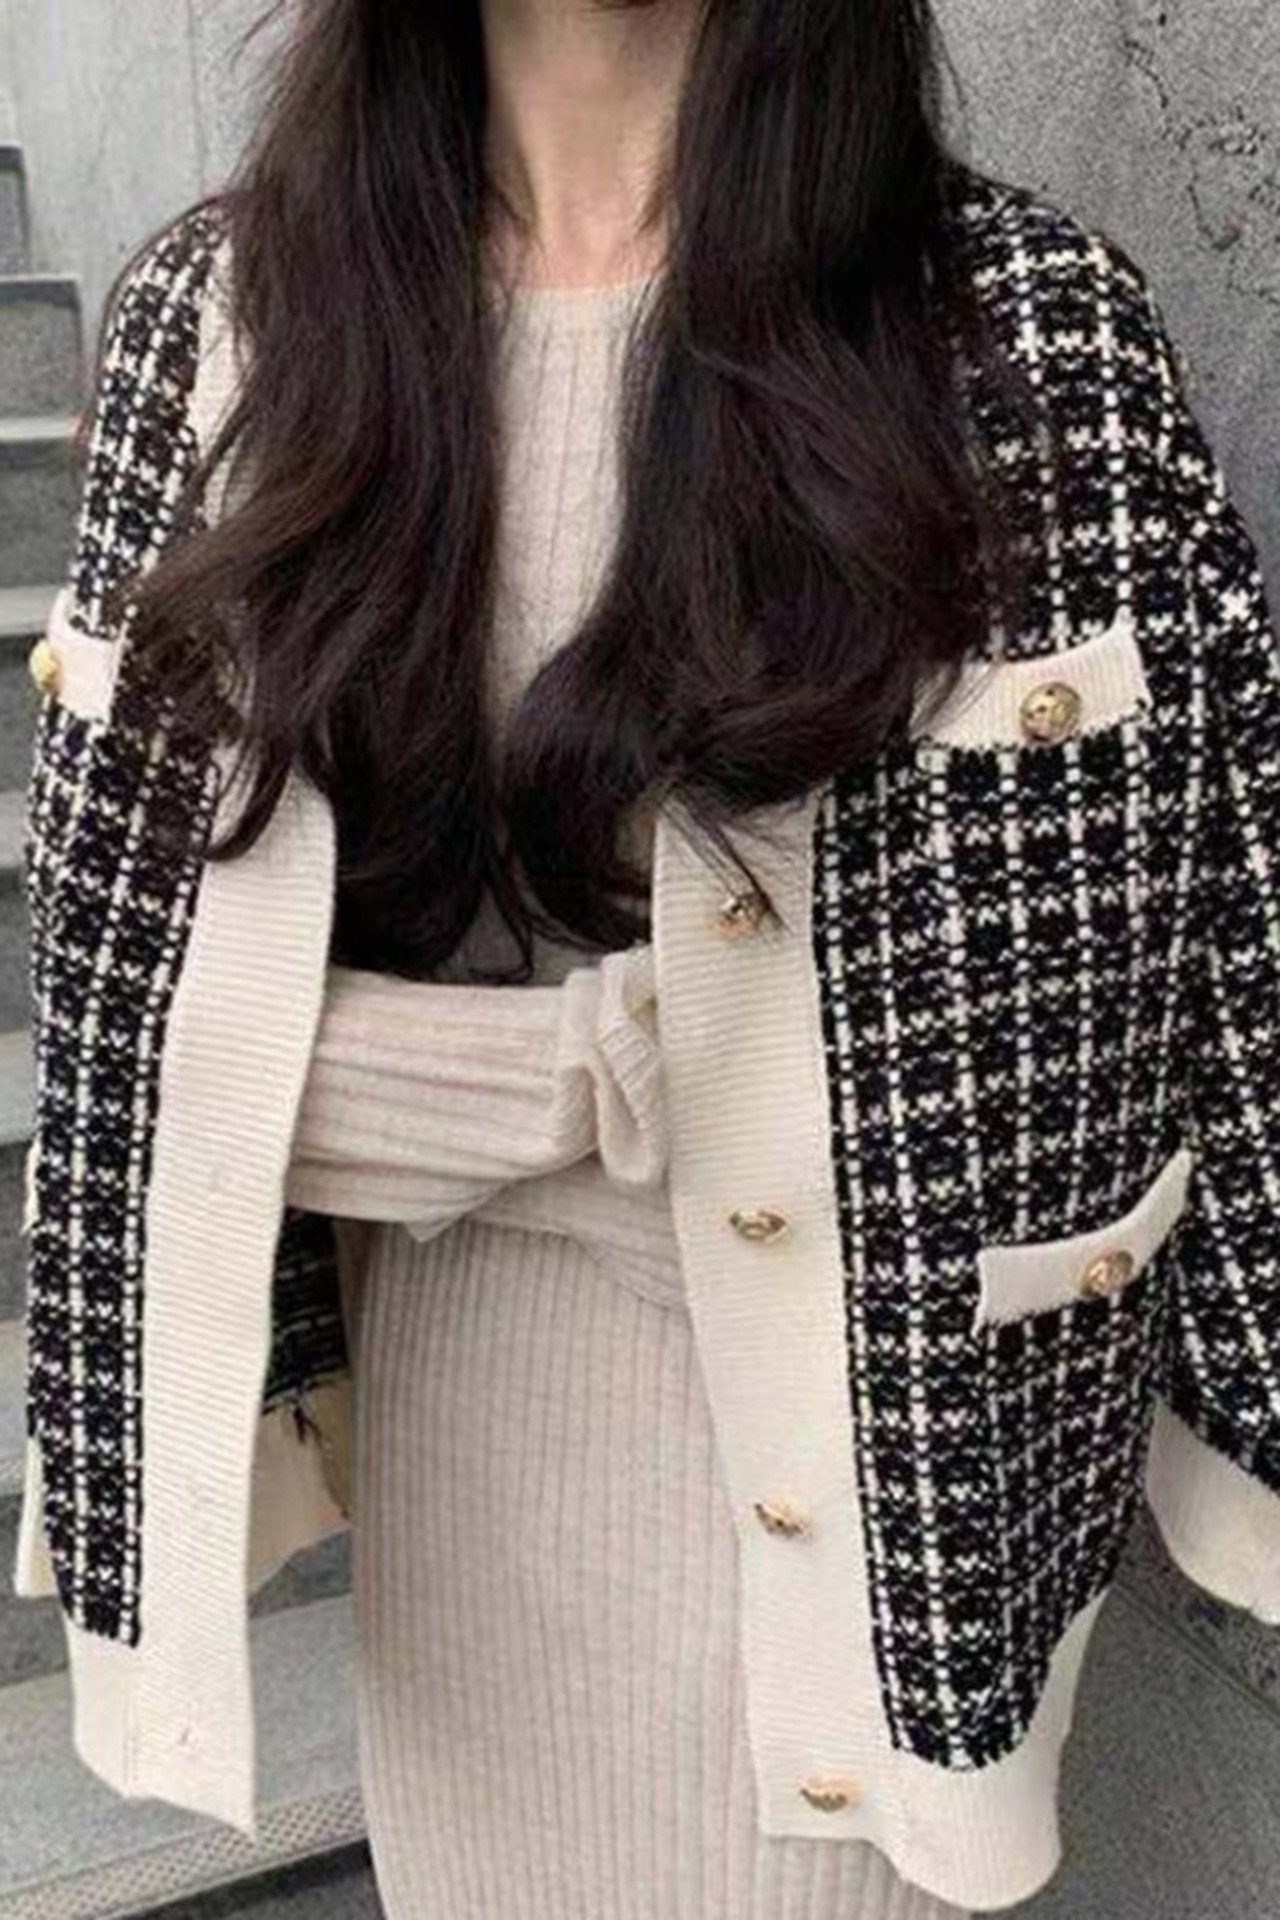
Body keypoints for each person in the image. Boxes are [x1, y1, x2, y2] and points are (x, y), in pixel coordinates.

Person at [15, 2, 1280, 1917]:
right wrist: (608, 1072)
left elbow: (1180, 978)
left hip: (878, 1519)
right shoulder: (227, 326)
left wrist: (410, 1071)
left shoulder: (1026, 335)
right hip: (462, 1494)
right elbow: (143, 1032)